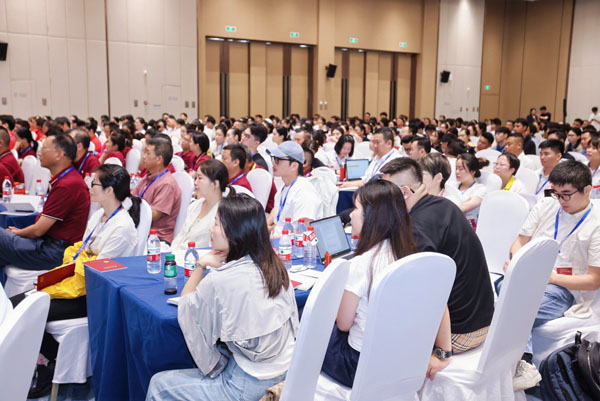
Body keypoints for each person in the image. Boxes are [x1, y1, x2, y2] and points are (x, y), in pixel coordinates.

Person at [146, 194, 298, 401]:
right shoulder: (275, 265)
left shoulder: (221, 280)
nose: (211, 229)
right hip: (287, 373)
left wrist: (201, 265)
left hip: (248, 384)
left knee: (158, 385)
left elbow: (187, 308)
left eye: (216, 223)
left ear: (235, 231)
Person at [14, 164, 139, 397]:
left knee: (30, 308)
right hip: (77, 283)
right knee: (18, 301)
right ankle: (40, 358)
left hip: (95, 295)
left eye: (95, 183)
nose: (90, 187)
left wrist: (83, 259)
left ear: (110, 190)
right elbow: (82, 253)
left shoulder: (122, 227)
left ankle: (47, 363)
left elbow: (98, 270)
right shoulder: (99, 216)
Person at [380, 158, 494, 374]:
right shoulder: (443, 205)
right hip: (483, 319)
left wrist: (442, 352)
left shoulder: (417, 228)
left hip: (459, 332)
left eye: (385, 191)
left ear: (404, 192)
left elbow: (430, 294)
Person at [506, 161, 600, 391]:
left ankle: (524, 362)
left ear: (587, 190)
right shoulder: (547, 204)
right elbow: (519, 242)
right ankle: (513, 366)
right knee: (490, 295)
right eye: (556, 193)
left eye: (566, 194)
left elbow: (594, 280)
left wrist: (552, 278)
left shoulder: (596, 222)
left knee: (516, 306)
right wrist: (518, 262)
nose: (561, 200)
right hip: (527, 277)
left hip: (565, 289)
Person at [320, 179, 417, 387]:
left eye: (356, 209)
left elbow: (343, 324)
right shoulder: (407, 255)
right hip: (399, 359)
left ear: (372, 218)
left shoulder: (361, 264)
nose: (350, 215)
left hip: (357, 365)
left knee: (309, 323)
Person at [0, 135, 90, 274]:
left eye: (44, 149)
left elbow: (38, 230)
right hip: (48, 245)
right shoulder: (67, 179)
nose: (40, 153)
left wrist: (18, 233)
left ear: (59, 154)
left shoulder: (67, 185)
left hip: (53, 252)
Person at [171, 160, 233, 252]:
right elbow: (181, 235)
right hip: (178, 254)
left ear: (215, 184)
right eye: (196, 178)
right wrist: (172, 252)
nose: (195, 182)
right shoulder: (194, 205)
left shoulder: (224, 212)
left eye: (200, 178)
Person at [132, 135, 181, 244]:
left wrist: (132, 206)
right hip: (142, 231)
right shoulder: (148, 177)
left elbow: (153, 215)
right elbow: (132, 197)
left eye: (147, 153)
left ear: (159, 159)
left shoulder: (167, 184)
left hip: (157, 239)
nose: (143, 156)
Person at [267, 141, 321, 236]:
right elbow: (279, 220)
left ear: (294, 166)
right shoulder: (283, 188)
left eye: (278, 159)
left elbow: (304, 234)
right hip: (279, 240)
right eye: (273, 158)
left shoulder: (304, 191)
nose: (273, 163)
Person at [455, 153, 487, 227]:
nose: (457, 172)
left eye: (461, 169)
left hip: (467, 226)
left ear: (473, 171)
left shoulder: (480, 189)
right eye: (456, 168)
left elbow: (464, 208)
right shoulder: (452, 185)